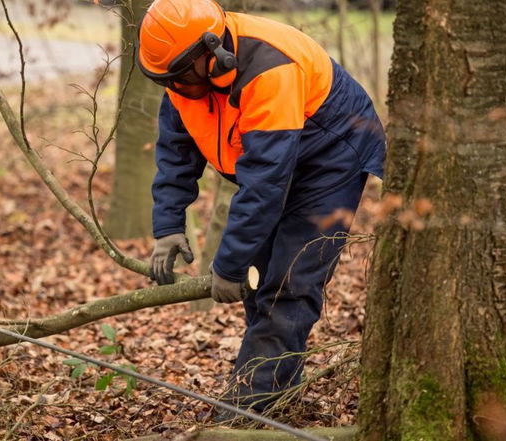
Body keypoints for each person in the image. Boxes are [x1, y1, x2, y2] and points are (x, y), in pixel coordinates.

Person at [137, 0, 386, 415]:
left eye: (182, 76)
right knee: (257, 280)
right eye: (168, 79)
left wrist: (228, 265)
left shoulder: (271, 69)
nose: (177, 87)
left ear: (211, 51)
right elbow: (176, 154)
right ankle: (276, 392)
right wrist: (167, 225)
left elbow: (267, 180)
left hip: (330, 159)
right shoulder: (183, 81)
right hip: (273, 163)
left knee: (289, 282)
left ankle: (246, 411)